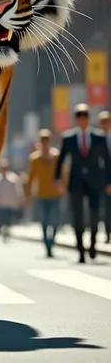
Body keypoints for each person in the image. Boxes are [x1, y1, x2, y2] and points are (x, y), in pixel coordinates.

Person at [55, 103, 111, 263]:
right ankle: (80, 250)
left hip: (95, 181)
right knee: (77, 217)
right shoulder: (69, 138)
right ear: (75, 119)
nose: (82, 119)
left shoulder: (99, 137)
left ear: (88, 118)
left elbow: (107, 161)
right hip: (76, 182)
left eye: (85, 116)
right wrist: (58, 178)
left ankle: (93, 244)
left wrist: (109, 181)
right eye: (79, 116)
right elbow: (61, 159)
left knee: (95, 215)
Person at [25, 129, 62, 257]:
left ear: (50, 141)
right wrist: (28, 194)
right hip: (42, 195)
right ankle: (47, 245)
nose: (45, 143)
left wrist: (63, 187)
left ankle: (52, 241)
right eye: (42, 140)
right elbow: (31, 178)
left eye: (47, 140)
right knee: (45, 221)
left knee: (56, 221)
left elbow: (63, 174)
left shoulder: (57, 157)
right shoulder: (34, 159)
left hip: (55, 194)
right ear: (39, 142)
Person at [0, 159, 25, 241]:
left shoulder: (13, 178)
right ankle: (3, 228)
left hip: (10, 201)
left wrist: (20, 198)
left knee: (9, 217)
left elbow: (18, 189)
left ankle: (7, 229)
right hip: (1, 202)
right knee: (2, 217)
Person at [98, 110, 111, 243]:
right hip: (101, 180)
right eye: (102, 122)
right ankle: (107, 233)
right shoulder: (96, 139)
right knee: (106, 208)